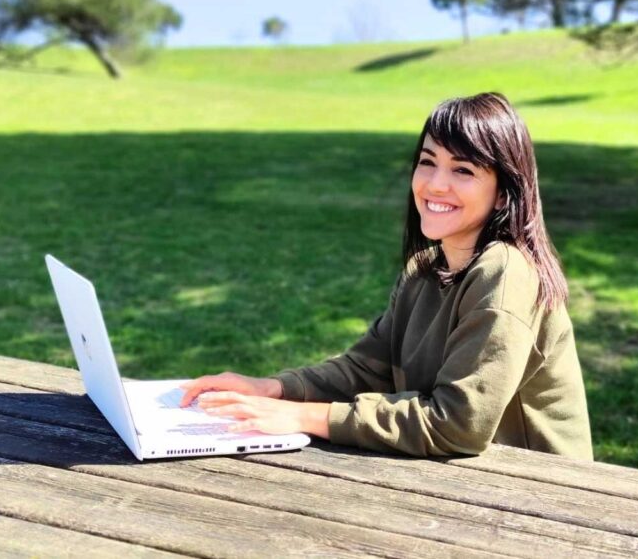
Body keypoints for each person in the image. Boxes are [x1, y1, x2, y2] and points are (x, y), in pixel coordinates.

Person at [180, 92, 593, 459]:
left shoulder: (505, 272)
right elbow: (366, 370)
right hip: (458, 481)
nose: (435, 184)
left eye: (463, 170)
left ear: (504, 191)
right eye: (427, 162)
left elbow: (458, 424)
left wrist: (303, 416)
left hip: (538, 493)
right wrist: (272, 388)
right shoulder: (424, 270)